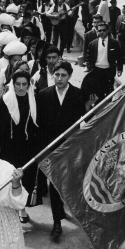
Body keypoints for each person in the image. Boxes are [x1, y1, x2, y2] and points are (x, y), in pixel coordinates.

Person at [37, 60, 86, 238]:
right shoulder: (43, 94)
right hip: (51, 147)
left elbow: (85, 119)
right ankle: (57, 221)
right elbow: (40, 123)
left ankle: (67, 210)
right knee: (55, 182)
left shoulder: (78, 94)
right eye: (56, 75)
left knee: (69, 182)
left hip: (71, 146)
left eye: (63, 75)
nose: (59, 78)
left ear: (70, 76)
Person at [0, 69, 42, 222]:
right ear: (13, 84)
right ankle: (7, 210)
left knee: (25, 179)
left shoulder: (35, 101)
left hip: (28, 148)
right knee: (8, 179)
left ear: (29, 85)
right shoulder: (5, 102)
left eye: (24, 84)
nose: (21, 87)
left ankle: (21, 209)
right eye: (17, 84)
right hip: (8, 148)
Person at [82, 22, 123, 104]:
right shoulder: (93, 44)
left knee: (109, 90)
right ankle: (99, 109)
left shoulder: (114, 43)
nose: (102, 32)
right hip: (97, 70)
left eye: (104, 30)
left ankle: (108, 107)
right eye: (99, 30)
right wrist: (90, 67)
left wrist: (119, 69)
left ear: (108, 30)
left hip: (109, 70)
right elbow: (89, 57)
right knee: (98, 90)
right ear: (97, 31)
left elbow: (119, 57)